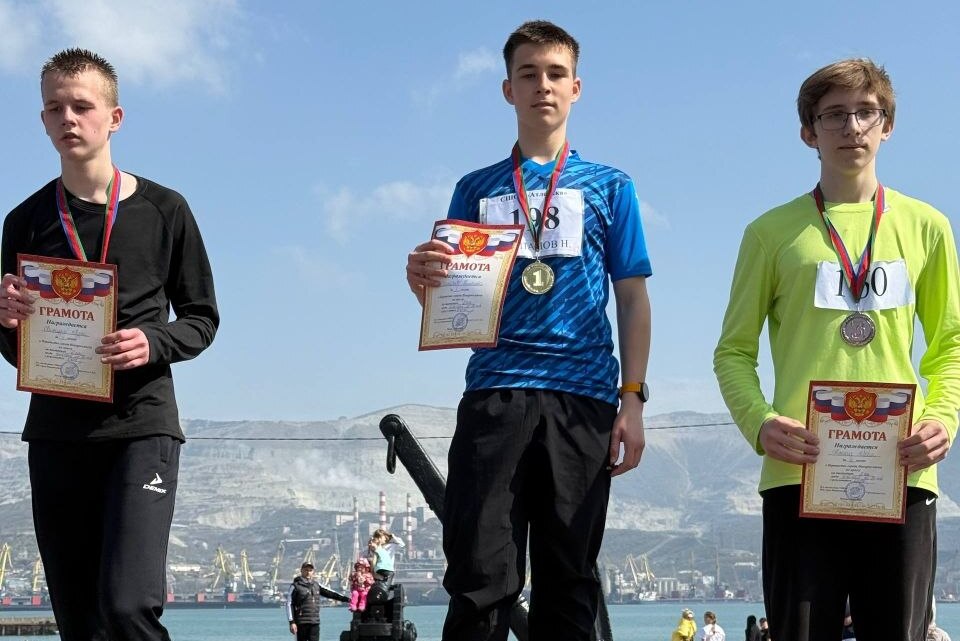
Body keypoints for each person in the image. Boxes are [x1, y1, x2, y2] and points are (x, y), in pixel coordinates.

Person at [405, 19, 652, 641]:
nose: (543, 84)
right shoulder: (475, 188)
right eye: (528, 73)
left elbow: (632, 297)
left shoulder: (612, 186)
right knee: (479, 575)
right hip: (496, 392)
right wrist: (423, 280)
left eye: (556, 73)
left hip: (584, 398)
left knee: (569, 580)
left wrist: (633, 398)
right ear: (507, 89)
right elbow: (454, 296)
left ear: (576, 88)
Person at [714, 58, 960, 641]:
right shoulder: (770, 233)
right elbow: (733, 352)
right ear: (809, 132)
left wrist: (943, 418)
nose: (851, 126)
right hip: (799, 473)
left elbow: (950, 343)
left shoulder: (928, 227)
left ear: (887, 125)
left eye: (866, 112)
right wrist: (760, 423)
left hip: (902, 472)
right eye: (834, 115)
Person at [0, 49, 219, 641]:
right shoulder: (23, 221)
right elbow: (16, 348)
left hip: (140, 429)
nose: (68, 118)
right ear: (42, 120)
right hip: (56, 435)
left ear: (114, 118)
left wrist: (152, 341)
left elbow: (202, 319)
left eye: (82, 106)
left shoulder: (166, 210)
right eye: (54, 108)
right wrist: (7, 320)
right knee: (79, 621)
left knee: (127, 607)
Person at [287, 561, 350, 641]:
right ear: (301, 571)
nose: (308, 572)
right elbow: (289, 604)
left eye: (310, 570)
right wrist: (292, 622)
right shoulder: (295, 586)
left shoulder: (316, 585)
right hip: (301, 623)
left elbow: (331, 594)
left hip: (314, 622)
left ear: (313, 572)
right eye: (306, 570)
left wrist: (348, 599)